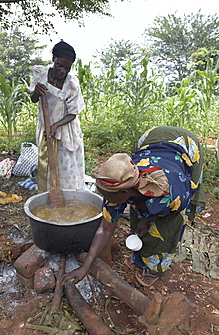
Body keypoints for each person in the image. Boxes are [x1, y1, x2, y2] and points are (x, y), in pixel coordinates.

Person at [61, 126, 205, 287]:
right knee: (140, 215)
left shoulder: (173, 193)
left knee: (167, 227)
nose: (106, 200)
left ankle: (154, 267)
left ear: (123, 193)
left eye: (107, 196)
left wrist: (151, 218)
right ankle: (140, 256)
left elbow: (175, 209)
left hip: (185, 145)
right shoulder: (122, 181)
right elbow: (105, 229)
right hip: (151, 138)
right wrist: (84, 267)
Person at [30, 41, 85, 192]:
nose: (63, 71)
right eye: (60, 65)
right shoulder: (41, 74)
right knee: (48, 163)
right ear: (54, 58)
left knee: (66, 165)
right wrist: (36, 91)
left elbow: (73, 113)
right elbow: (34, 99)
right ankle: (49, 193)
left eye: (67, 68)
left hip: (65, 129)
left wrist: (55, 126)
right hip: (45, 126)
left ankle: (69, 194)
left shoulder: (71, 83)